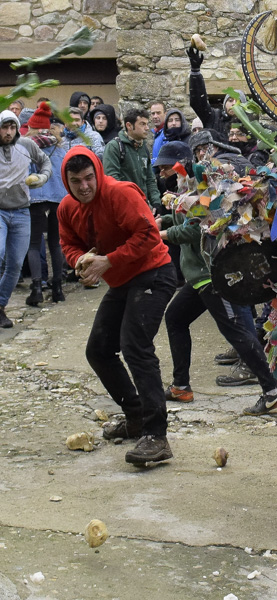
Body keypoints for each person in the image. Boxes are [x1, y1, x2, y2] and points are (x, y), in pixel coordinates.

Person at [57, 146, 177, 465]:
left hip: (154, 272)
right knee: (98, 349)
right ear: (66, 182)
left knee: (135, 346)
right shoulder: (67, 207)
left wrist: (108, 261)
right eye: (75, 181)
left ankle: (157, 435)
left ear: (97, 172)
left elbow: (150, 236)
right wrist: (80, 261)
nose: (84, 186)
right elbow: (68, 242)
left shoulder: (120, 193)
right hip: (123, 280)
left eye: (88, 178)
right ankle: (135, 416)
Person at [155, 142, 277, 415]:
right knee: (176, 318)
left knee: (238, 332)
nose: (162, 171)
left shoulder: (202, 186)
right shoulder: (185, 185)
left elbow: (200, 229)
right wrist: (164, 223)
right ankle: (181, 385)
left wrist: (163, 235)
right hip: (199, 276)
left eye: (167, 165)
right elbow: (187, 218)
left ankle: (272, 390)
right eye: (160, 167)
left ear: (182, 162)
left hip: (213, 275)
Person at [0, 109, 52, 327]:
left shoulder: (27, 145)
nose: (9, 132)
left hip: (22, 210)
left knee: (15, 264)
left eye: (13, 127)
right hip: (0, 211)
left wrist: (42, 177)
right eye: (5, 127)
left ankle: (1, 306)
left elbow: (46, 163)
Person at [23, 103, 68, 305]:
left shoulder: (26, 147)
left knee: (33, 244)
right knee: (55, 243)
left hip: (36, 200)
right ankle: (58, 288)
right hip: (58, 200)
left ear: (31, 128)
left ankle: (37, 289)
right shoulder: (59, 147)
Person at [102, 108, 160, 212]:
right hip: (123, 208)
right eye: (142, 124)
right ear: (129, 126)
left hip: (143, 207)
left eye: (147, 124)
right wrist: (130, 202)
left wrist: (156, 203)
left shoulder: (143, 148)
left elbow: (149, 178)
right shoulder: (114, 147)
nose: (147, 128)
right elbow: (112, 181)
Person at [187, 44, 240, 138]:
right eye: (230, 100)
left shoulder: (250, 125)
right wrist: (195, 72)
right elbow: (198, 101)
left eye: (238, 101)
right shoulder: (213, 117)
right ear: (224, 104)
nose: (234, 103)